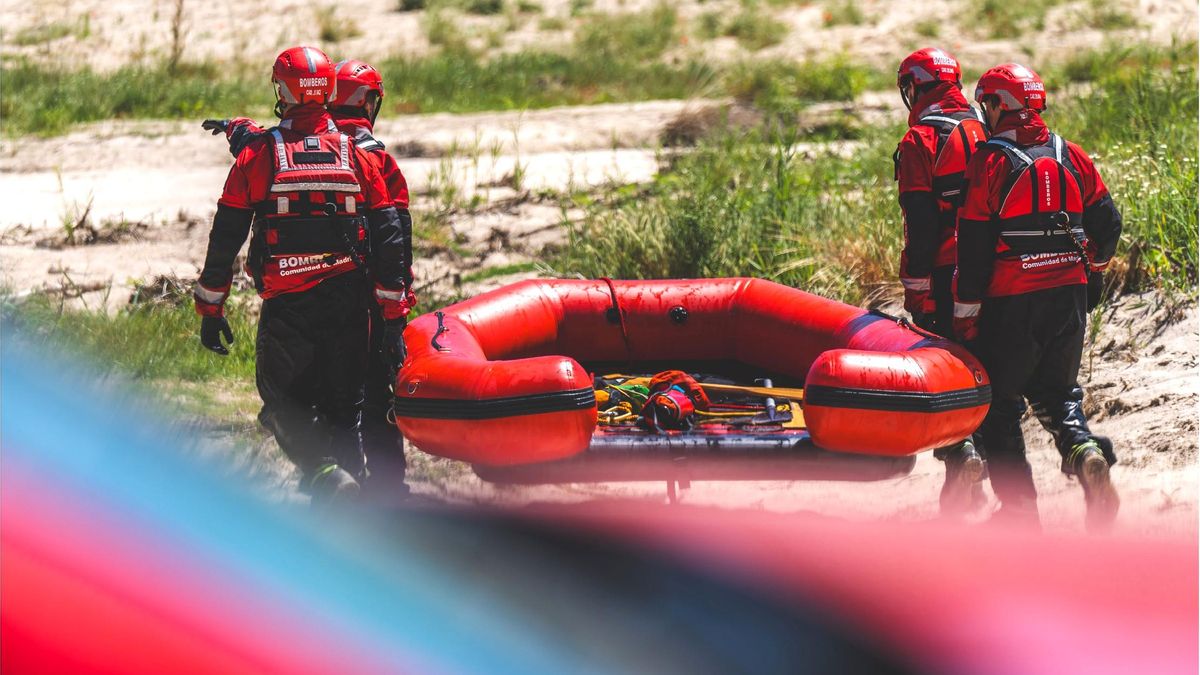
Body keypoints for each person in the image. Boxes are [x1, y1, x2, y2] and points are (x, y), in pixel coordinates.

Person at [194, 46, 414, 506]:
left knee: (281, 405)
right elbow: (390, 233)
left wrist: (211, 305)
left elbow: (225, 239)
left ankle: (325, 474)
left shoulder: (258, 157)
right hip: (352, 305)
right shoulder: (359, 154)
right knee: (345, 411)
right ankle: (350, 508)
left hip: (289, 308)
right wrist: (393, 313)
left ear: (280, 90)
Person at [953, 63, 1122, 531]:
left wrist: (967, 315)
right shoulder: (1073, 155)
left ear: (999, 106)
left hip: (1013, 303)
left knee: (1000, 406)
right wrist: (1092, 273)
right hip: (1068, 296)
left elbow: (973, 248)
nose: (983, 112)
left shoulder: (989, 162)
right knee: (1059, 394)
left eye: (986, 103)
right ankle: (1086, 452)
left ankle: (1020, 513)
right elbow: (1109, 226)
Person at [893, 47, 988, 515]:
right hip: (994, 272)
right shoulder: (984, 127)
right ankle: (981, 476)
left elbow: (921, 223)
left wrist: (915, 284)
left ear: (916, 86)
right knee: (986, 373)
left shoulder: (919, 141)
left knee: (946, 370)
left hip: (946, 272)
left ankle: (959, 455)